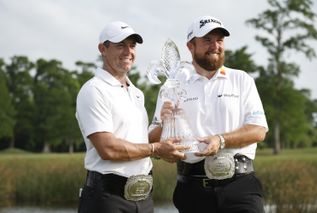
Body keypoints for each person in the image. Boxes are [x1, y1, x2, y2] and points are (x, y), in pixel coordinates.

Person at [149, 15, 268, 213]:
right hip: (192, 190)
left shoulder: (242, 79)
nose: (215, 45)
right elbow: (152, 139)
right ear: (190, 46)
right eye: (207, 40)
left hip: (240, 187)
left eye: (219, 40)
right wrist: (165, 122)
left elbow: (258, 130)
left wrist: (221, 140)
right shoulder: (172, 84)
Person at [76, 21, 187, 213]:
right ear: (103, 48)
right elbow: (108, 148)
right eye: (120, 45)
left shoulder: (136, 92)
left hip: (143, 199)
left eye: (132, 45)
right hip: (107, 199)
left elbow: (139, 141)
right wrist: (157, 148)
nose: (128, 51)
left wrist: (166, 123)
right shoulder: (94, 90)